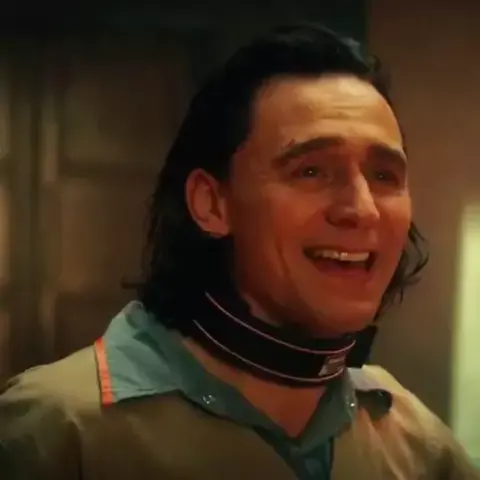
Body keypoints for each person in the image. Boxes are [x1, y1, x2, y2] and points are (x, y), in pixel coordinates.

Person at [0, 24, 478, 480]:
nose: (363, 209)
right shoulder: (58, 431)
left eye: (384, 176)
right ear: (212, 203)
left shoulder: (417, 445)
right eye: (311, 171)